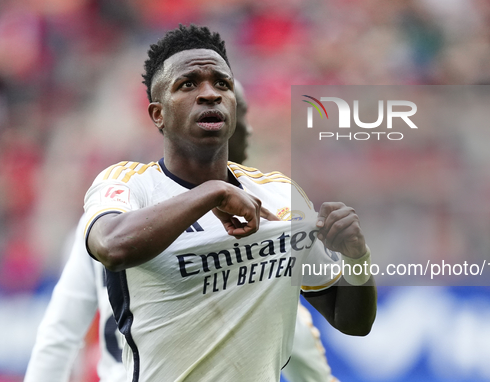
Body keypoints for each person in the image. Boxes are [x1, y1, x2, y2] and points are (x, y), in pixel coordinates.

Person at [83, 24, 376, 381]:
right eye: (188, 84)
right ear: (158, 114)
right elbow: (111, 246)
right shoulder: (131, 184)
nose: (210, 94)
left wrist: (357, 257)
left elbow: (352, 322)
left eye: (222, 83)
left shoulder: (280, 195)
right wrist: (213, 192)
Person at [24, 80, 339, 382]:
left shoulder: (269, 215)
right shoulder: (114, 220)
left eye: (236, 108)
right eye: (241, 113)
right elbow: (61, 332)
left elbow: (59, 334)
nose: (245, 127)